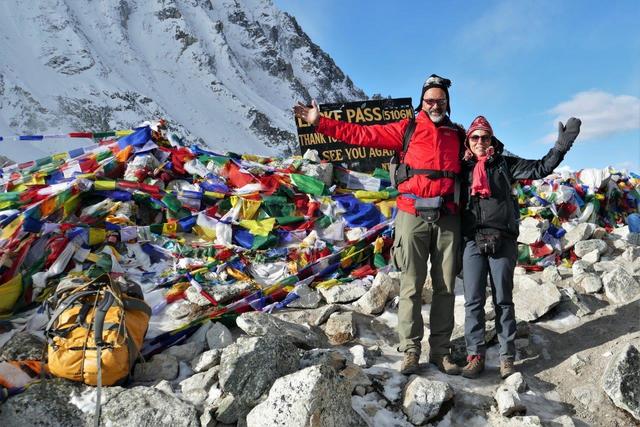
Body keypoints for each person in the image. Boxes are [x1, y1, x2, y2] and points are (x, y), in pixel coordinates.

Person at [294, 75, 465, 375]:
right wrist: (320, 123)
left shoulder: (458, 135)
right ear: (421, 102)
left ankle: (440, 351)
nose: (435, 105)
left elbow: (481, 157)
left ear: (448, 102)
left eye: (440, 100)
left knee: (445, 288)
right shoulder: (407, 129)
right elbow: (362, 135)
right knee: (411, 286)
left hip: (448, 217)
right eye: (429, 101)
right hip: (411, 214)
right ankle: (411, 351)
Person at [459, 115, 581, 379]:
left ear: (492, 139)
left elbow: (540, 168)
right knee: (473, 302)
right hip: (471, 240)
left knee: (503, 300)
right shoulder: (461, 168)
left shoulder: (505, 164)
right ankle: (475, 356)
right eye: (475, 137)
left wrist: (561, 147)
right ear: (468, 141)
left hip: (502, 239)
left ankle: (506, 357)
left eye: (485, 137)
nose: (480, 142)